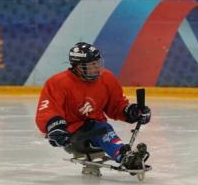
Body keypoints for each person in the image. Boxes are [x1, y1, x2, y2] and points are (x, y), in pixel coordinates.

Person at [36, 42, 152, 170]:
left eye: (97, 62)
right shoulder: (58, 83)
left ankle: (124, 154)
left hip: (95, 127)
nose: (97, 67)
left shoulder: (106, 78)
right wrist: (56, 129)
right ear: (79, 67)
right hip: (71, 135)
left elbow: (117, 105)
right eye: (92, 64)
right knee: (102, 130)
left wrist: (132, 111)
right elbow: (48, 110)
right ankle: (124, 157)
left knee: (100, 129)